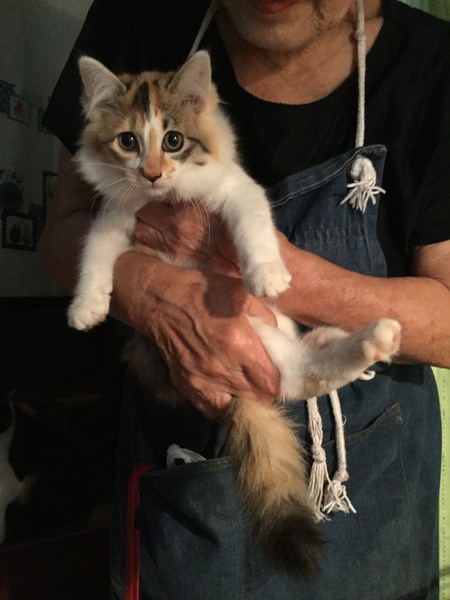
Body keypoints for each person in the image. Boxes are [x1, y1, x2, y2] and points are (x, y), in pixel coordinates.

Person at [38, 0, 450, 598]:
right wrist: (154, 296)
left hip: (374, 505)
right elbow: (62, 232)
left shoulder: (432, 64)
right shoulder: (134, 17)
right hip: (183, 493)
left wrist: (293, 279)